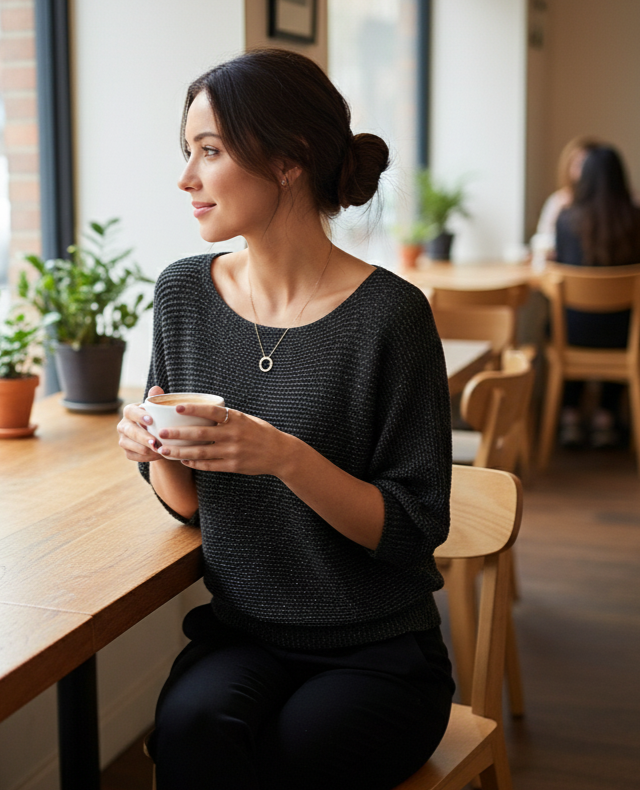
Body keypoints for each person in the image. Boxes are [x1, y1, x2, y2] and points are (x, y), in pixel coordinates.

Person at [117, 49, 454, 790]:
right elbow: (190, 509)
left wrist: (284, 456)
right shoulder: (183, 294)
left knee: (294, 758)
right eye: (187, 152)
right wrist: (154, 445)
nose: (187, 179)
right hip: (244, 636)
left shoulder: (392, 318)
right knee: (190, 732)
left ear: (289, 160)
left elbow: (413, 527)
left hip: (380, 651)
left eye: (209, 151)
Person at [555, 145, 640, 448]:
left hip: (574, 332)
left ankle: (570, 416)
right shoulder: (636, 219)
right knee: (618, 324)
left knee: (567, 323)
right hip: (625, 335)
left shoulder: (566, 219)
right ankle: (606, 417)